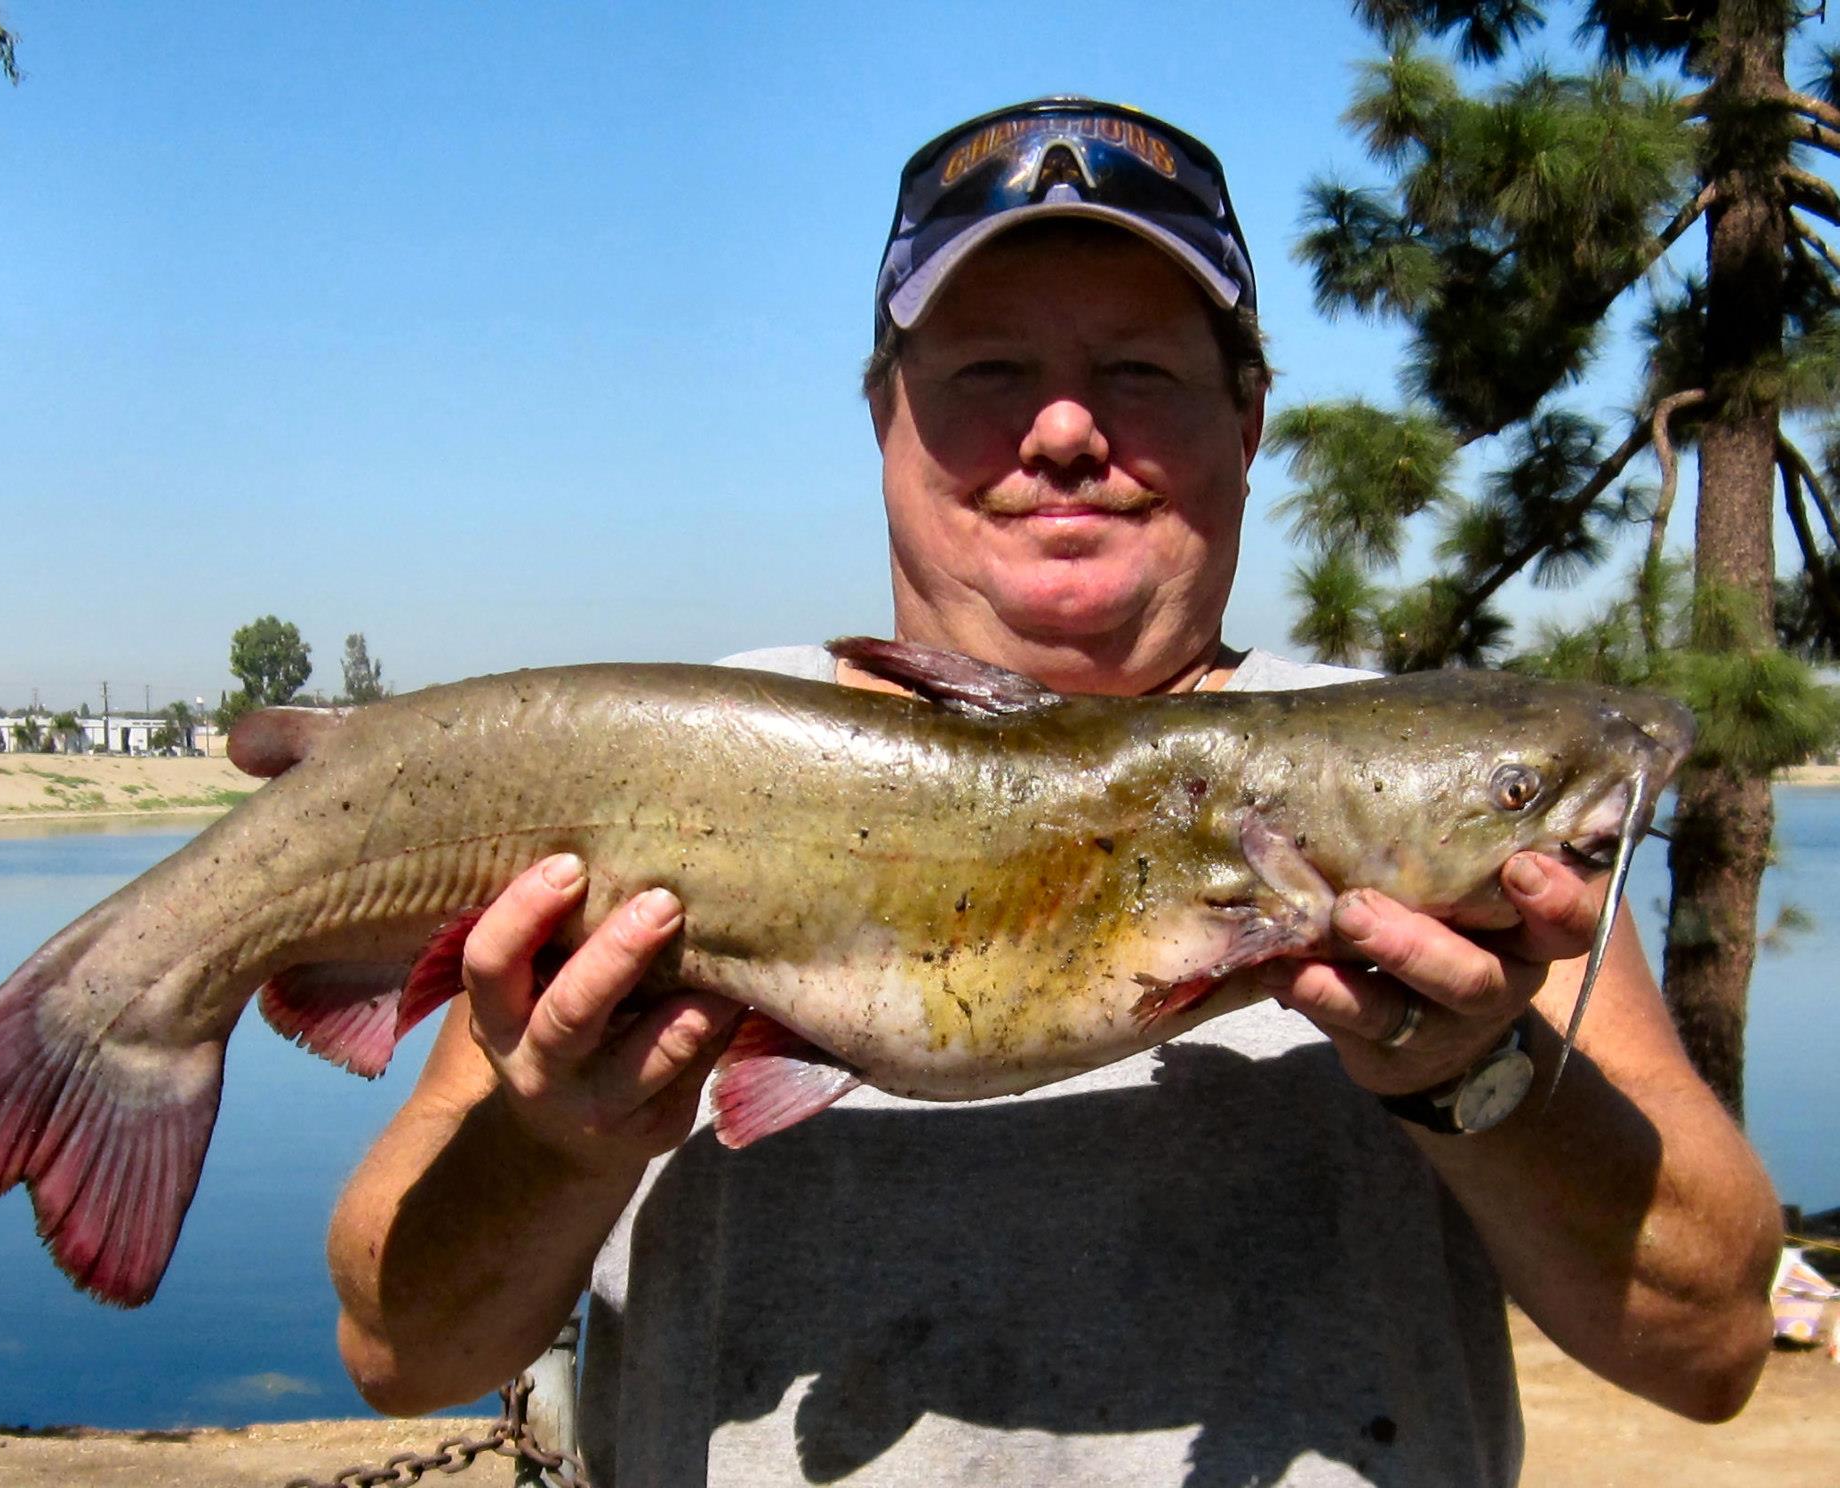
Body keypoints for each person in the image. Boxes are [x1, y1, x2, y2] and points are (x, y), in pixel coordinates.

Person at [326, 98, 1780, 1485]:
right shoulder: (677, 769)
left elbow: (1713, 1345)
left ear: (1252, 415)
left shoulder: (1451, 807)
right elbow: (399, 1346)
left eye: (1138, 371)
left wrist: (1486, 1082)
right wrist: (552, 1136)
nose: (1067, 431)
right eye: (988, 374)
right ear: (883, 415)